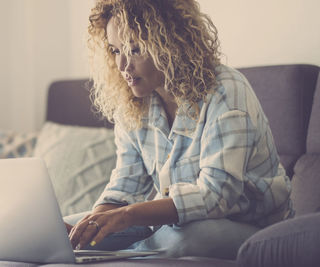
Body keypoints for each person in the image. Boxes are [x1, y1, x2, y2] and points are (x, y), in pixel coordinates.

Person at [64, 0, 294, 259]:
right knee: (65, 232)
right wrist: (91, 223)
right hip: (175, 224)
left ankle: (127, 254)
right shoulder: (134, 104)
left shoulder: (225, 90)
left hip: (253, 227)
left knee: (188, 239)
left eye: (135, 49)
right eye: (115, 50)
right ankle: (120, 252)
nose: (122, 65)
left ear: (170, 45)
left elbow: (216, 196)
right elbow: (124, 187)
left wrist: (126, 217)